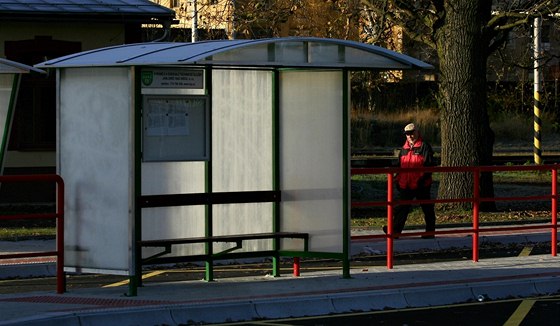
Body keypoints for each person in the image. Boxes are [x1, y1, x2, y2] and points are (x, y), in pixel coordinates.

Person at [383, 123, 436, 239]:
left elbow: (429, 165)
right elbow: (400, 166)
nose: (410, 136)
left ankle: (430, 231)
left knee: (427, 208)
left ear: (417, 132)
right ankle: (395, 231)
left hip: (421, 184)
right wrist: (397, 179)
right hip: (406, 184)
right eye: (407, 134)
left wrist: (423, 180)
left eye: (412, 133)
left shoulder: (424, 147)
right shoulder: (404, 149)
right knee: (402, 208)